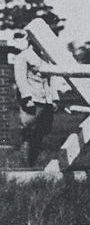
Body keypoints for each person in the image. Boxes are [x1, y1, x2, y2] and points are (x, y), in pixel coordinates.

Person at [12, 31, 59, 166]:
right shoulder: (23, 56)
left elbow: (51, 80)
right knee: (28, 132)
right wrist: (27, 98)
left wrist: (54, 99)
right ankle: (25, 166)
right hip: (32, 99)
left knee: (41, 132)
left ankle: (32, 163)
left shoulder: (46, 58)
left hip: (46, 101)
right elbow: (20, 79)